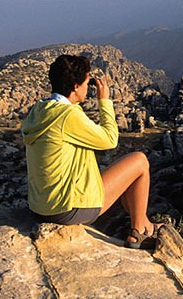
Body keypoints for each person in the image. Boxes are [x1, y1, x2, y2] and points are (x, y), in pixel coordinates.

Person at [22, 54, 166, 249]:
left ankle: (143, 225)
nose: (87, 88)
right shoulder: (67, 116)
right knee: (139, 161)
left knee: (120, 172)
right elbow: (110, 140)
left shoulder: (39, 111)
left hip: (40, 207)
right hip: (67, 209)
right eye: (86, 82)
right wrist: (104, 101)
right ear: (75, 86)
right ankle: (140, 230)